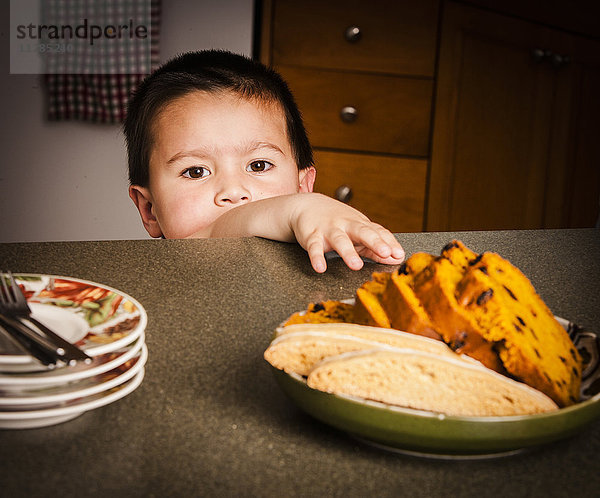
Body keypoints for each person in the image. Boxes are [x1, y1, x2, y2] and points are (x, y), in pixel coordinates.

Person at [124, 49, 405, 273]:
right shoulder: (154, 278)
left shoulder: (319, 257)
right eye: (196, 171)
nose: (233, 192)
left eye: (258, 165)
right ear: (149, 210)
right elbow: (214, 233)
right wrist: (296, 208)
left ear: (303, 185)